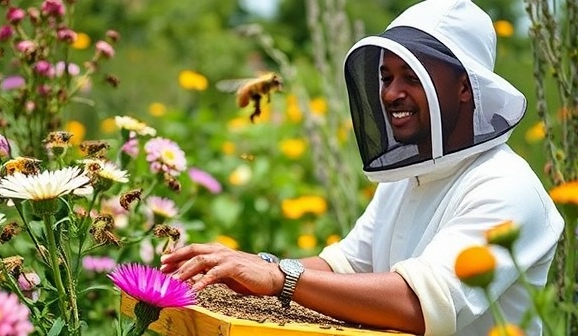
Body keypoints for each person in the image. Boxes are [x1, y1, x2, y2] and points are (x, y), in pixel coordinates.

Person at [160, 0, 564, 334]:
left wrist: (281, 278)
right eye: (386, 76)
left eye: (412, 76)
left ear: (464, 87)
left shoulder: (505, 188)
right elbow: (347, 266)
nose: (390, 92)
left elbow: (420, 305)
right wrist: (252, 265)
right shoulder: (407, 179)